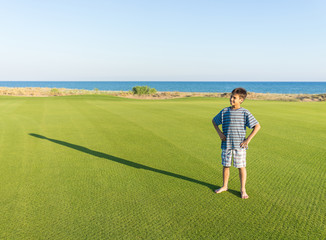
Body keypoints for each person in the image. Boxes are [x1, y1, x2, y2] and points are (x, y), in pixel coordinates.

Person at [212, 88, 261, 199]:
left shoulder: (245, 112)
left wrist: (247, 140)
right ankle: (225, 186)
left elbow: (257, 126)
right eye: (231, 97)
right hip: (226, 145)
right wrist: (220, 134)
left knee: (241, 167)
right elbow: (214, 121)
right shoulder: (224, 111)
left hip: (240, 146)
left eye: (234, 98)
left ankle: (243, 189)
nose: (231, 99)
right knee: (226, 166)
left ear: (241, 100)